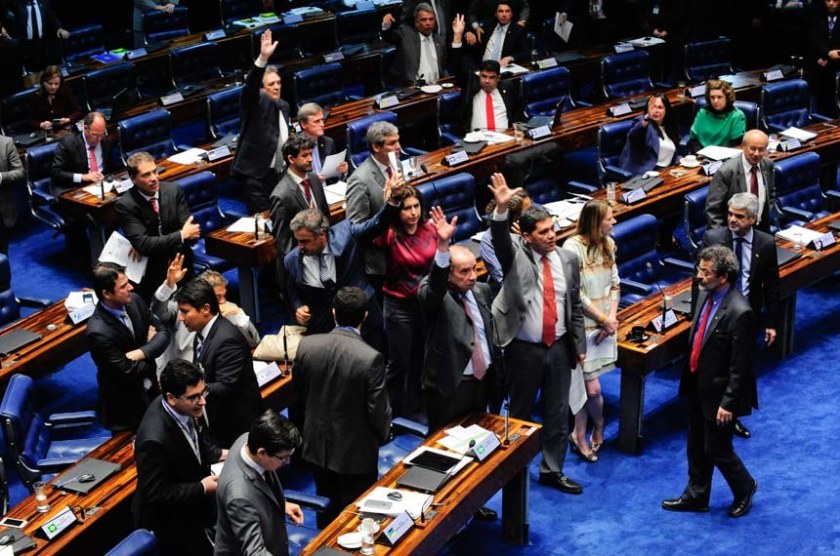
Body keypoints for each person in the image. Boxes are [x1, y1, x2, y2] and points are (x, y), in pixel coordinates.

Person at [488, 173, 587, 494]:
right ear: (527, 236)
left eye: (553, 229)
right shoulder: (515, 256)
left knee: (558, 414)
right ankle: (513, 470)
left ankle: (552, 469)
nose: (551, 236)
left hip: (558, 347)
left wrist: (579, 344)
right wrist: (501, 211)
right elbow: (500, 238)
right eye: (543, 232)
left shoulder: (569, 260)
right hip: (523, 348)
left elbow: (573, 305)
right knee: (519, 412)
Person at [662, 245, 758, 519]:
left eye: (705, 272)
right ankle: (696, 496)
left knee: (717, 448)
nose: (698, 275)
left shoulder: (740, 312)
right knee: (695, 444)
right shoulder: (707, 295)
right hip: (697, 385)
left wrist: (728, 403)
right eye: (699, 269)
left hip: (719, 395)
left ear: (723, 277)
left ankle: (745, 486)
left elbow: (741, 366)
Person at [292, 287, 392, 528]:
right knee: (357, 519)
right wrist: (383, 435)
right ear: (366, 315)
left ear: (333, 312)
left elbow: (300, 391)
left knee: (326, 513)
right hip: (355, 454)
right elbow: (378, 410)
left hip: (316, 446)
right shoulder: (370, 358)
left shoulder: (307, 346)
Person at [284, 175, 403, 344]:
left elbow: (375, 224)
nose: (300, 246)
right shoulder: (292, 260)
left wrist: (394, 200)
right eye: (297, 241)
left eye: (305, 241)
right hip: (326, 327)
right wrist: (298, 307)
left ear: (322, 235)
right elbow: (293, 290)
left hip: (363, 314)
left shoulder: (346, 234)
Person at [702, 192, 778, 439]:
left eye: (739, 216)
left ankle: (732, 415)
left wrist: (772, 323)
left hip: (747, 315)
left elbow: (772, 285)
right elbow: (700, 281)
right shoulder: (714, 238)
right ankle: (710, 412)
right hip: (717, 315)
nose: (732, 220)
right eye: (730, 214)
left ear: (753, 219)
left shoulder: (766, 243)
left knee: (740, 367)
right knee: (718, 366)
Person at [133, 360, 226, 556]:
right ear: (171, 398)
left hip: (196, 510)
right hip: (172, 523)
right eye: (194, 397)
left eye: (204, 392)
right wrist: (201, 487)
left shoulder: (178, 406)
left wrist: (220, 454)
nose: (203, 401)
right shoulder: (154, 440)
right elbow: (156, 493)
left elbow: (192, 442)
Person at [371, 186, 438, 418]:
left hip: (424, 304)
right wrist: (387, 205)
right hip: (398, 305)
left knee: (421, 358)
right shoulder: (389, 233)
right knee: (399, 363)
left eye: (416, 206)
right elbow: (367, 232)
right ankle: (392, 413)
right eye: (406, 208)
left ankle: (417, 406)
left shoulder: (431, 229)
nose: (413, 213)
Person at [562, 200, 620, 462]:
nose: (614, 222)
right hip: (582, 328)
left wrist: (611, 319)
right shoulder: (572, 249)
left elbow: (615, 285)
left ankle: (579, 432)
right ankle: (598, 424)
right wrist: (602, 319)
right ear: (596, 222)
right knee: (592, 389)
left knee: (586, 388)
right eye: (610, 218)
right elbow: (577, 295)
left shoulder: (608, 244)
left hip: (605, 327)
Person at [175, 278, 263, 449]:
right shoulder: (202, 332)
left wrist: (190, 392)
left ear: (205, 309)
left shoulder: (227, 339)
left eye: (185, 312)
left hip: (236, 427)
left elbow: (225, 386)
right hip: (218, 420)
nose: (181, 318)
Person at [86, 262, 171, 432]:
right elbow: (127, 372)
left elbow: (164, 332)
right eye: (124, 286)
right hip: (125, 408)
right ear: (106, 293)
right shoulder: (98, 332)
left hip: (151, 391)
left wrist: (141, 352)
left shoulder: (135, 301)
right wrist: (151, 347)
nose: (131, 287)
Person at [151, 254, 259, 375]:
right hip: (177, 374)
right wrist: (168, 285)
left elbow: (254, 343)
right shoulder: (181, 308)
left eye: (224, 295)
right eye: (218, 297)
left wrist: (240, 316)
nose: (223, 301)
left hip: (212, 375)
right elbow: (157, 311)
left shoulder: (229, 310)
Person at [215, 410, 304, 556]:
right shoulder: (239, 496)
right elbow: (255, 552)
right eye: (283, 458)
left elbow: (259, 490)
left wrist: (280, 504)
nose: (287, 463)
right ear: (261, 453)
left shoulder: (248, 440)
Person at [114, 151, 199, 302]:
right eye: (146, 175)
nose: (154, 178)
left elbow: (192, 235)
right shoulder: (126, 205)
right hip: (152, 272)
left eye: (155, 172)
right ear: (133, 178)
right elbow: (144, 245)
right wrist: (180, 235)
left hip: (180, 262)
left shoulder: (173, 191)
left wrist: (152, 244)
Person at [231, 29, 292, 213]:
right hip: (256, 176)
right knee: (268, 221)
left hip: (279, 173)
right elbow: (250, 85)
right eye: (271, 84)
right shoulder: (253, 102)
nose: (276, 87)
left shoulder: (284, 106)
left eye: (278, 83)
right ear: (261, 88)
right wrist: (262, 59)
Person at [346, 121, 403, 280]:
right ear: (376, 147)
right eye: (392, 143)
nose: (398, 146)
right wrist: (388, 206)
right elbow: (356, 229)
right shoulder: (359, 180)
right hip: (381, 261)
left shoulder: (396, 164)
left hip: (404, 249)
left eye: (398, 140)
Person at [269, 134, 330, 264]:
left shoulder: (314, 179)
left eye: (310, 154)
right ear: (291, 159)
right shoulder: (281, 195)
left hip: (324, 254)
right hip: (302, 262)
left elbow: (325, 216)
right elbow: (283, 242)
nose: (310, 159)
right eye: (304, 155)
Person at [706, 129, 775, 232]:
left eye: (761, 150)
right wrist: (720, 237)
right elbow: (713, 209)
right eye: (752, 148)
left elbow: (771, 193)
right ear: (743, 146)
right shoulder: (727, 171)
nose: (756, 154)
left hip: (760, 228)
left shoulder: (768, 164)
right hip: (732, 231)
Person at [382, 4, 464, 86]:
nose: (428, 23)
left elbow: (452, 64)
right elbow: (388, 37)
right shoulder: (406, 35)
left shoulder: (440, 41)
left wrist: (457, 35)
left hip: (437, 87)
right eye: (424, 20)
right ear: (416, 23)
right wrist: (386, 26)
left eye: (431, 19)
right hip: (413, 89)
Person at [51, 111, 116, 197]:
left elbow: (110, 167)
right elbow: (56, 173)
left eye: (102, 134)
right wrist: (83, 177)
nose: (99, 139)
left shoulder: (106, 141)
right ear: (85, 128)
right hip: (74, 188)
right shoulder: (68, 143)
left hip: (101, 186)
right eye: (94, 135)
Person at [619, 93, 680, 176]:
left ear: (666, 110)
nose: (656, 111)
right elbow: (634, 135)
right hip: (645, 174)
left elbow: (674, 152)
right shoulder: (643, 122)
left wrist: (680, 160)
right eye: (653, 107)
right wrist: (647, 118)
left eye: (660, 107)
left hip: (666, 172)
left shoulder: (669, 127)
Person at [480, 188, 531, 287]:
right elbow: (503, 281)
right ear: (514, 218)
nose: (532, 214)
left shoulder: (534, 227)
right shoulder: (489, 240)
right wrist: (523, 243)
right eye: (527, 212)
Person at [458, 59, 523, 135]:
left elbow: (518, 110)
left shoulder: (507, 87)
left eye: (491, 77)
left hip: (504, 138)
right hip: (478, 140)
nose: (487, 81)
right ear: (479, 75)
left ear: (498, 78)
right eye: (484, 76)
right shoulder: (471, 88)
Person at [4, 0, 68, 69]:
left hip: (43, 44)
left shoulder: (43, 2)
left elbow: (52, 16)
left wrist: (59, 28)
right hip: (25, 45)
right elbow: (5, 13)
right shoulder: (16, 4)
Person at [464, 1, 529, 67]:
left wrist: (511, 58)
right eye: (501, 11)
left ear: (511, 14)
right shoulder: (487, 27)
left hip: (503, 69)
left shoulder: (518, 30)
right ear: (495, 14)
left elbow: (526, 54)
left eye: (507, 11)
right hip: (482, 68)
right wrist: (468, 33)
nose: (504, 14)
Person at [689, 79, 747, 152]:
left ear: (727, 98)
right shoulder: (702, 112)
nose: (715, 101)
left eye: (719, 97)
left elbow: (736, 146)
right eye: (712, 97)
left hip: (725, 156)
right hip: (702, 155)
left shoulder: (737, 116)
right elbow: (693, 139)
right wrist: (700, 155)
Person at [297, 102, 349, 181]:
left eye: (322, 120)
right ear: (304, 124)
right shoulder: (295, 147)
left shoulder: (328, 142)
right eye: (317, 121)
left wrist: (342, 172)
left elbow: (334, 177)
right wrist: (314, 182)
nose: (322, 124)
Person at [808, 0, 840, 117]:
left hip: (838, 65)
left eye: (835, 0)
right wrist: (827, 54)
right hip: (821, 67)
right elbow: (813, 38)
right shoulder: (817, 14)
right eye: (828, 0)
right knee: (822, 104)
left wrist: (835, 54)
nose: (831, 3)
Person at [30, 65, 82, 131]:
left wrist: (68, 119)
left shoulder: (65, 91)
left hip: (66, 128)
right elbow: (31, 121)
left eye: (56, 84)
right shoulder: (35, 96)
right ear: (43, 83)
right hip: (47, 131)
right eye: (50, 83)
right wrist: (41, 124)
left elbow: (78, 111)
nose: (53, 87)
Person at [0, 134, 24, 255]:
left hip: (1, 208)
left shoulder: (5, 143)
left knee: (2, 256)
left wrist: (0, 177)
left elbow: (19, 172)